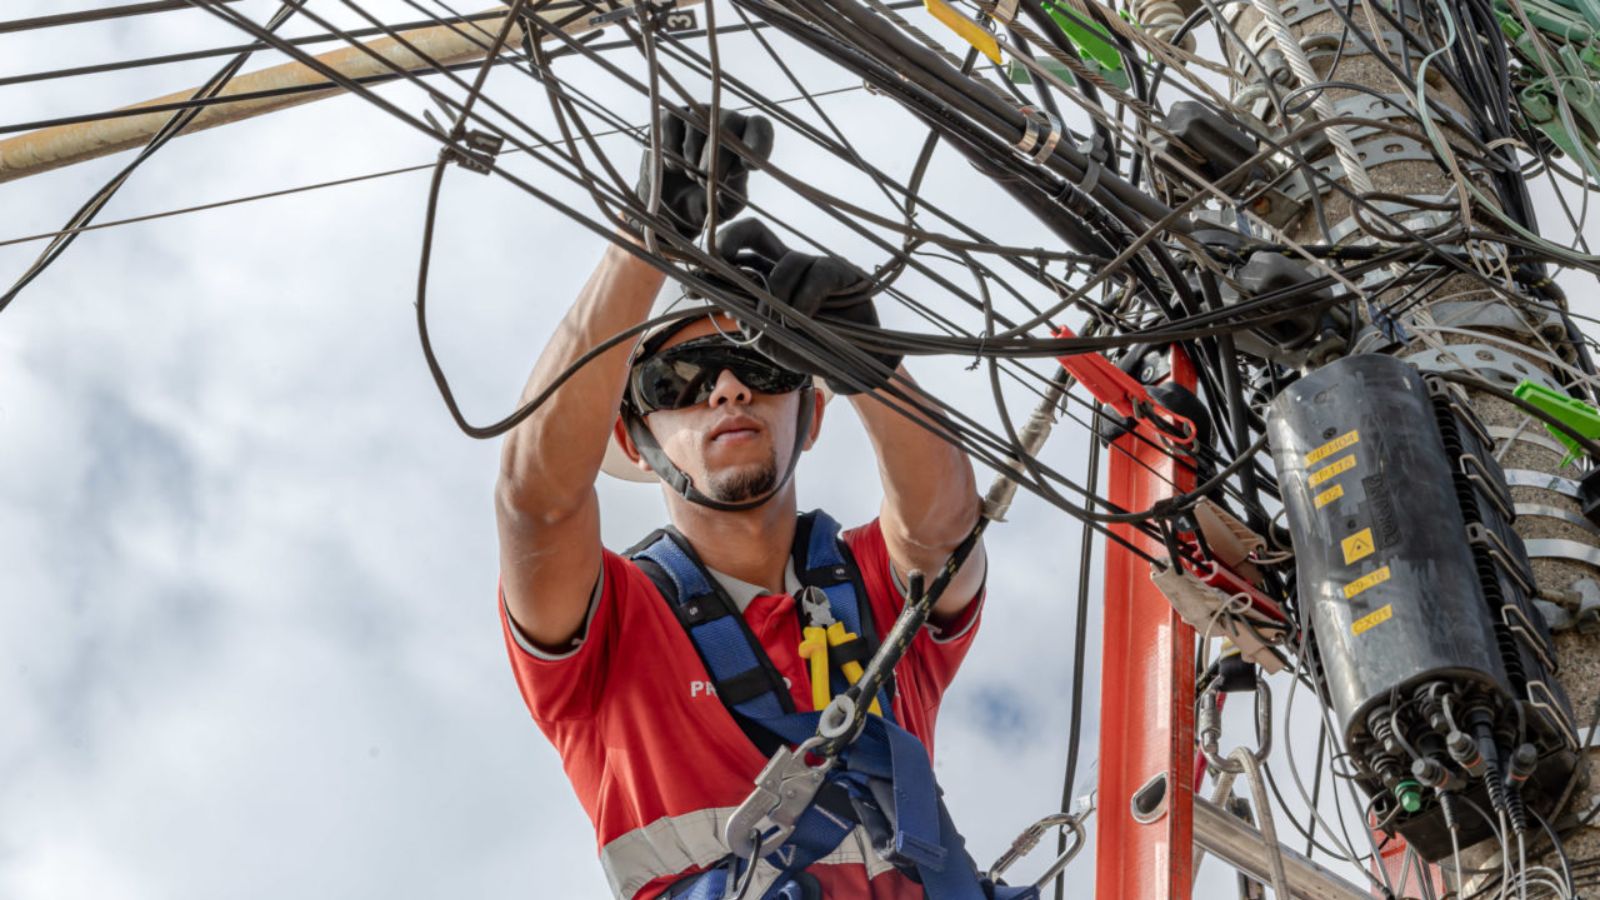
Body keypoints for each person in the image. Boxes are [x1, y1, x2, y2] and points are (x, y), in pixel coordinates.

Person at [494, 106, 987, 899]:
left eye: (760, 364)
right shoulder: (612, 621)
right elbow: (537, 504)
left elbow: (945, 530)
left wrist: (873, 366)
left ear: (812, 416)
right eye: (680, 381)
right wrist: (644, 240)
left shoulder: (873, 586)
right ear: (633, 441)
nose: (727, 388)